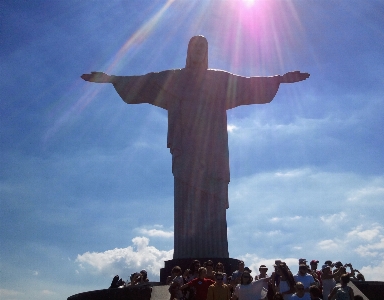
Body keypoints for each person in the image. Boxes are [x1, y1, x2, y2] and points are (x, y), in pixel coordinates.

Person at [81, 36, 310, 259]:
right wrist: (112, 79)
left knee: (213, 195)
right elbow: (145, 82)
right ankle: (185, 253)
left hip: (213, 148)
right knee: (187, 195)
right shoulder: (172, 79)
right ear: (188, 50)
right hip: (186, 148)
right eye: (194, 45)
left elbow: (248, 84)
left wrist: (278, 79)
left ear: (208, 51)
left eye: (203, 45)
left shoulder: (219, 80)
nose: (199, 49)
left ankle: (216, 253)